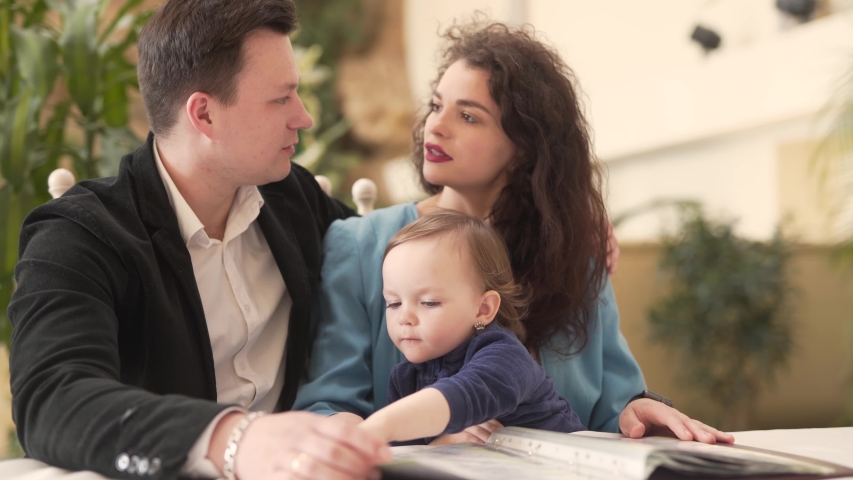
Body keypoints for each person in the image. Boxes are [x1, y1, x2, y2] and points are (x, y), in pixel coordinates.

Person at [294, 21, 734, 446]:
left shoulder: (573, 253)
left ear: (525, 145)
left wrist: (635, 413)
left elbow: (610, 406)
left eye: (468, 116)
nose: (437, 125)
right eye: (435, 105)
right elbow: (328, 407)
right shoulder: (361, 245)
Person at [7, 1, 390, 479]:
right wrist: (235, 439)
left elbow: (392, 261)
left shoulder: (292, 197)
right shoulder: (80, 236)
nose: (304, 117)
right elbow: (54, 400)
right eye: (281, 98)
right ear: (204, 114)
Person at [359, 210, 584, 445]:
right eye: (394, 303)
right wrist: (441, 444)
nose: (404, 317)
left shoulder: (506, 356)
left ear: (483, 309)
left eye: (429, 302)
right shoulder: (405, 378)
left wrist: (378, 428)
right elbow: (402, 459)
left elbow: (466, 395)